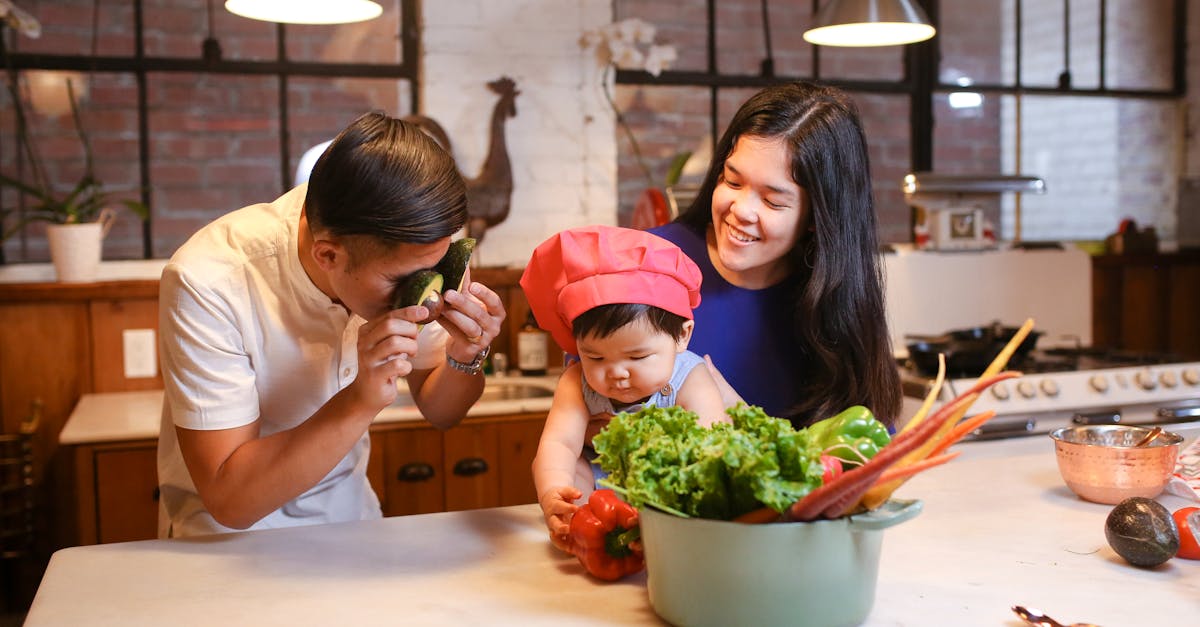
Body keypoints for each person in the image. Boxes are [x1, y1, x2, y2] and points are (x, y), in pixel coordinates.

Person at [157, 112, 506, 538]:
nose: (429, 299)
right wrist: (360, 399)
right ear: (328, 256)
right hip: (228, 547)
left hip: (353, 526)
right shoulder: (208, 281)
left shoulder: (401, 237)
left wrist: (466, 355)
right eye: (404, 280)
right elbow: (230, 499)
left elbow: (441, 410)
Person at [651, 81, 902, 429]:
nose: (741, 210)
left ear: (818, 218)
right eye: (733, 182)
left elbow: (863, 460)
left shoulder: (834, 305)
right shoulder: (646, 265)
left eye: (772, 201)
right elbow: (586, 424)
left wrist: (739, 416)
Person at [520, 225, 727, 549]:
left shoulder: (690, 377)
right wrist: (553, 493)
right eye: (595, 356)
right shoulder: (576, 381)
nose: (616, 373)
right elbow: (560, 443)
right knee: (570, 465)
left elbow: (714, 441)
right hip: (600, 489)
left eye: (637, 356)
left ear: (682, 336)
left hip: (667, 492)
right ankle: (575, 521)